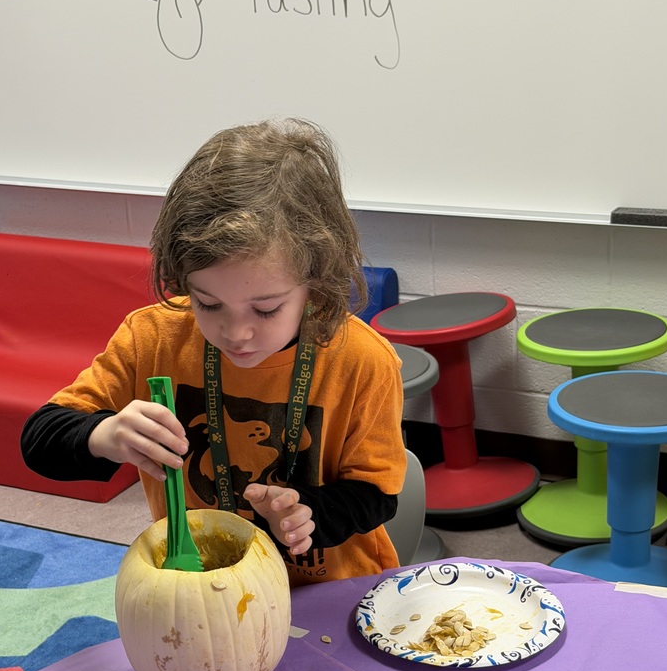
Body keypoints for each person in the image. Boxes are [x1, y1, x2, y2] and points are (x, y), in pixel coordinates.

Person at [21, 118, 406, 586]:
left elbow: (377, 494)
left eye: (266, 309)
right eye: (208, 303)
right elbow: (39, 439)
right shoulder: (153, 338)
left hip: (328, 587)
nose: (235, 332)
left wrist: (309, 513)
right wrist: (105, 434)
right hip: (198, 583)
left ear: (316, 283)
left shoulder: (361, 360)